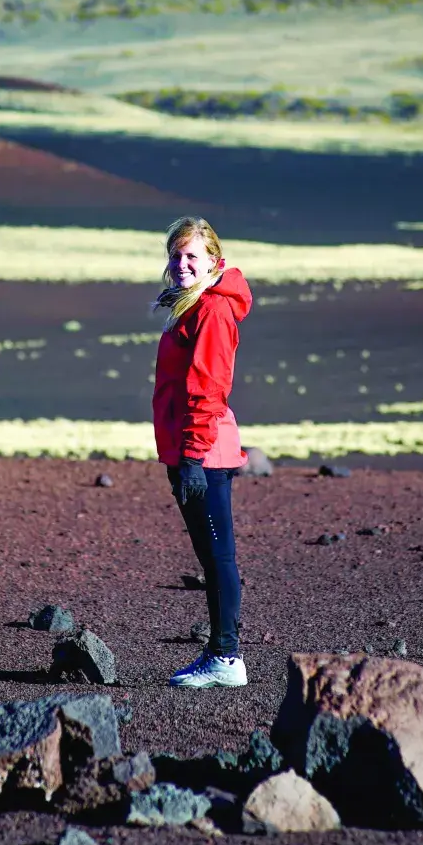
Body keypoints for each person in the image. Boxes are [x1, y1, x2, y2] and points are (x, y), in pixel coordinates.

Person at [151, 216, 252, 689]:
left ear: (214, 260)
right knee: (213, 558)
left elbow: (207, 389)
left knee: (218, 558)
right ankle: (222, 655)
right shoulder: (192, 307)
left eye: (192, 256)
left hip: (205, 455)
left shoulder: (211, 311)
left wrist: (191, 459)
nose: (182, 264)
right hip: (193, 452)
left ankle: (225, 658)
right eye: (176, 255)